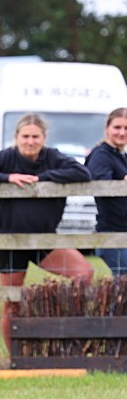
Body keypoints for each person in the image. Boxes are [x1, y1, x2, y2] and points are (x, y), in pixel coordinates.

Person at [0, 112, 94, 349]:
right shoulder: (4, 157)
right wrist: (7, 178)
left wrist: (43, 178)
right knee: (12, 301)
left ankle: (54, 315)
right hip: (10, 241)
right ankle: (16, 357)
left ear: (44, 138)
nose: (30, 141)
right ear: (16, 137)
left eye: (35, 137)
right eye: (26, 136)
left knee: (84, 273)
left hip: (44, 239)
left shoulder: (53, 157)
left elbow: (82, 173)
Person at [84, 107, 127, 276]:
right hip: (112, 233)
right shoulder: (101, 155)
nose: (122, 132)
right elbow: (102, 185)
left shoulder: (120, 155)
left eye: (126, 128)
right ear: (107, 128)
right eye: (117, 127)